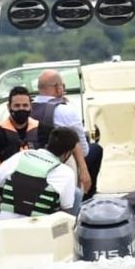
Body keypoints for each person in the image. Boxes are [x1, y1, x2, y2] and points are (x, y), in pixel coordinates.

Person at [31, 69, 103, 200]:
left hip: (32, 158)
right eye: (62, 86)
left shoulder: (27, 108)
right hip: (61, 162)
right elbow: (84, 150)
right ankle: (88, 195)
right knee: (96, 149)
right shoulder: (65, 111)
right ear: (58, 88)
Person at [0, 127, 81, 219]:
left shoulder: (21, 156)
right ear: (67, 153)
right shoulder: (66, 173)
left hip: (5, 226)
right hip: (39, 231)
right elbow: (65, 214)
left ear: (49, 142)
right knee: (76, 193)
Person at [0, 86, 53, 186]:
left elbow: (69, 143)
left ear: (31, 106)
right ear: (9, 107)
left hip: (38, 183)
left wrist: (78, 171)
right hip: (8, 185)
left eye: (25, 105)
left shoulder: (44, 129)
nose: (21, 109)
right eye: (17, 106)